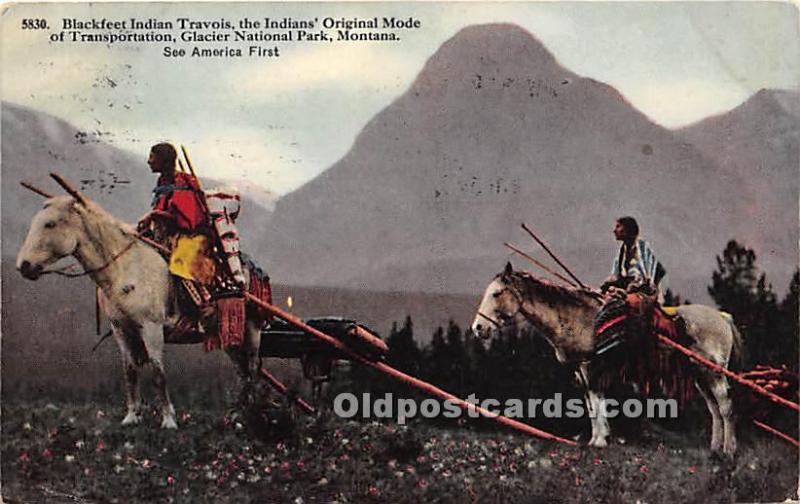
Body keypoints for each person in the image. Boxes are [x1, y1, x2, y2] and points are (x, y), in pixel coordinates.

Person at [137, 143, 215, 306]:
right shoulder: (163, 182)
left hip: (190, 235)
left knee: (179, 263)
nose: (149, 161)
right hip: (166, 234)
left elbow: (182, 218)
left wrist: (153, 215)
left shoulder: (182, 182)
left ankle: (202, 303)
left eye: (152, 157)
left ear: (163, 160)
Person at [600, 216, 666, 303]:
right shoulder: (622, 252)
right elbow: (618, 276)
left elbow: (647, 277)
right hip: (630, 291)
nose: (614, 230)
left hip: (645, 295)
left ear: (628, 229)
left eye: (618, 226)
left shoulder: (643, 248)